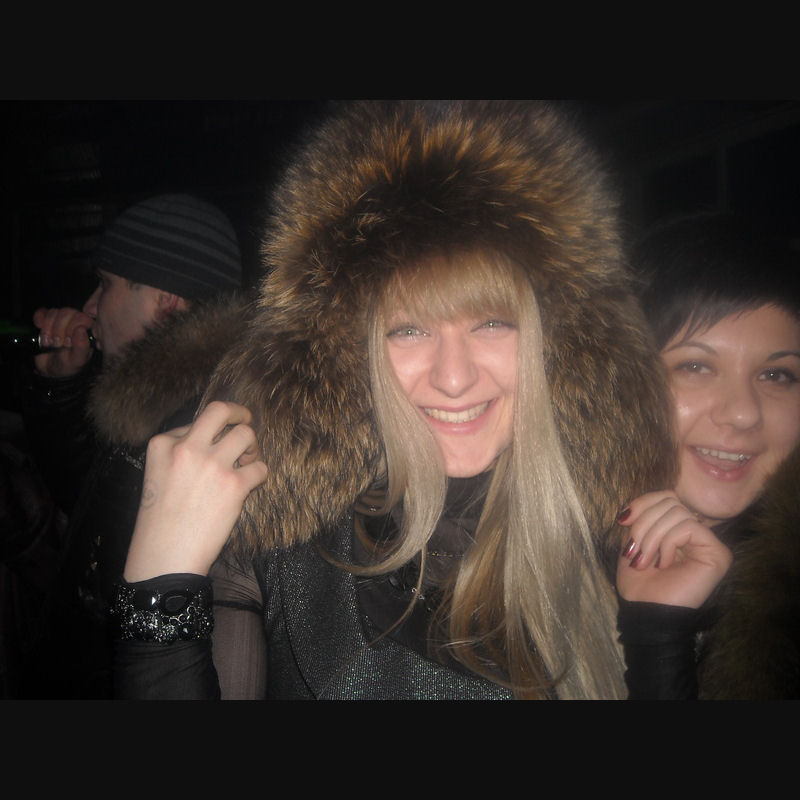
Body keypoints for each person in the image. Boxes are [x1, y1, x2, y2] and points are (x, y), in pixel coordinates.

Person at [113, 100, 676, 700]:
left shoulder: (609, 543)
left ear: (552, 341)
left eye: (491, 323)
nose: (454, 378)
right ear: (351, 351)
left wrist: (664, 638)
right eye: (408, 329)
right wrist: (162, 578)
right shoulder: (279, 555)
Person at [16, 193, 246, 698]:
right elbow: (87, 503)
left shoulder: (201, 434)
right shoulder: (149, 400)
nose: (89, 306)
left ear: (165, 303)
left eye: (105, 284)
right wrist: (61, 388)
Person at [616, 211, 800, 699]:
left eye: (777, 375)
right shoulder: (509, 565)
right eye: (695, 367)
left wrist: (657, 639)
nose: (743, 413)